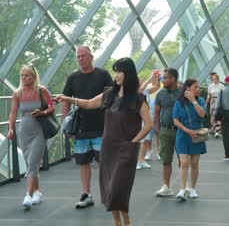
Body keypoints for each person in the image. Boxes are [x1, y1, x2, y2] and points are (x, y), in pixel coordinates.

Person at [56, 58, 152, 226]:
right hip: (108, 148)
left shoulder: (138, 99)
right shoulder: (110, 94)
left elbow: (149, 125)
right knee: (108, 188)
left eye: (120, 71)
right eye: (115, 71)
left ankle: (127, 222)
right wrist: (67, 99)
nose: (116, 75)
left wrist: (133, 143)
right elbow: (88, 103)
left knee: (118, 188)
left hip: (126, 150)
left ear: (128, 74)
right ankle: (117, 223)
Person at [62, 46, 113, 209]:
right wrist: (65, 124)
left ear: (91, 57)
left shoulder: (103, 75)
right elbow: (66, 100)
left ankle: (108, 193)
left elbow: (111, 98)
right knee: (83, 162)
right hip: (81, 126)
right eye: (78, 57)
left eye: (84, 56)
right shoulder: (73, 78)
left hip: (101, 125)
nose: (81, 59)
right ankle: (86, 194)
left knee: (103, 161)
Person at [8, 65, 55, 209]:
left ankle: (28, 195)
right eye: (22, 75)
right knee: (30, 163)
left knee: (33, 161)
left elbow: (52, 107)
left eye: (27, 75)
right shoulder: (18, 93)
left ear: (34, 77)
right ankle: (37, 192)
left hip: (39, 130)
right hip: (24, 131)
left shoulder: (42, 91)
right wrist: (10, 128)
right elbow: (13, 113)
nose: (24, 78)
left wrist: (43, 113)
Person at [173, 79, 207, 200]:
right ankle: (182, 189)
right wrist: (188, 131)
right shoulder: (179, 102)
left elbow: (202, 114)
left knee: (194, 163)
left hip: (197, 134)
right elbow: (175, 120)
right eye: (195, 87)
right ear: (187, 88)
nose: (198, 89)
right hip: (183, 135)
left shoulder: (200, 101)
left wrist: (193, 101)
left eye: (198, 87)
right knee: (184, 163)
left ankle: (192, 188)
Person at [154, 68, 182, 197]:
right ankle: (166, 186)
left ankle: (184, 187)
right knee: (166, 160)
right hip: (165, 130)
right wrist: (158, 132)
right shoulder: (160, 94)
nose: (162, 80)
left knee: (183, 159)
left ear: (173, 79)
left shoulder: (183, 92)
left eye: (165, 78)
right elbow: (156, 113)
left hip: (182, 131)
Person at [136, 70, 160, 169]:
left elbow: (157, 87)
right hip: (137, 119)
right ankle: (136, 161)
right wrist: (150, 78)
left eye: (142, 80)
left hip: (146, 118)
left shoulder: (145, 91)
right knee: (139, 141)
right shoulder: (136, 91)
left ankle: (141, 160)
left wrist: (157, 78)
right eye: (140, 81)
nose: (141, 82)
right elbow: (141, 88)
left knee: (146, 140)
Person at [206, 73, 224, 138]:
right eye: (213, 79)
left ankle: (217, 131)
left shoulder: (221, 86)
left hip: (219, 102)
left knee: (218, 115)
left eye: (216, 79)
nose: (214, 80)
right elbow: (209, 95)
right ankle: (214, 129)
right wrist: (206, 103)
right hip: (212, 102)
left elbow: (223, 95)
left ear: (218, 79)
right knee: (212, 116)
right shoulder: (210, 86)